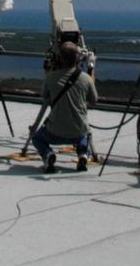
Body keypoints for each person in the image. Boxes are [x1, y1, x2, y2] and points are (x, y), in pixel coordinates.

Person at [32, 40, 97, 173]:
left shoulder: (51, 78)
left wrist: (48, 73)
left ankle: (48, 154)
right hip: (78, 132)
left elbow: (44, 96)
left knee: (36, 137)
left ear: (60, 58)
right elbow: (94, 99)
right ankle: (83, 154)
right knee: (85, 134)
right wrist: (91, 67)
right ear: (78, 58)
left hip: (54, 132)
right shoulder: (85, 78)